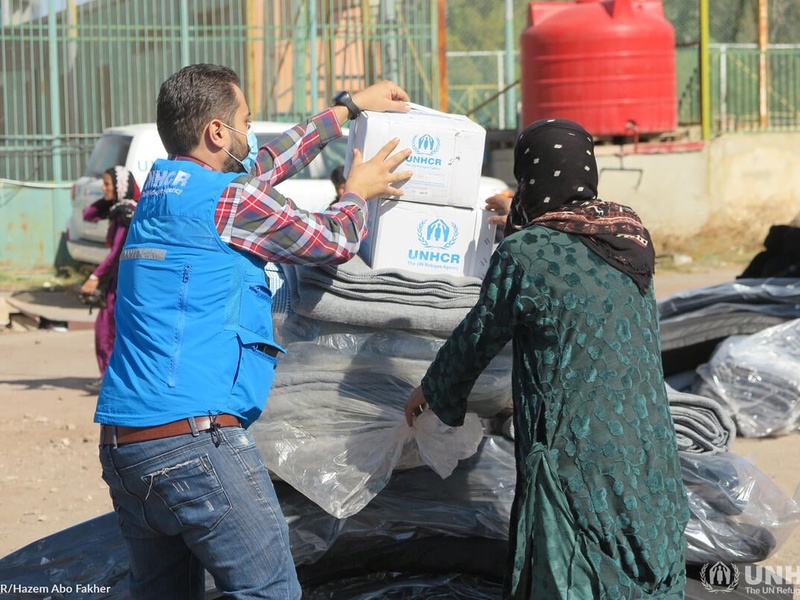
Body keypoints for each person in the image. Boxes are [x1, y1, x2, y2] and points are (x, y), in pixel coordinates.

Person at [96, 63, 412, 600]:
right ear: (218, 131)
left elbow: (262, 167)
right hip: (197, 445)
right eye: (245, 121)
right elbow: (333, 240)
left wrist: (346, 111)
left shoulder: (160, 191)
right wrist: (356, 193)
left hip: (125, 447)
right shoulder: (230, 202)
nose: (251, 133)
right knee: (270, 593)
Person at [404, 118, 690, 599]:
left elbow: (480, 334)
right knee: (638, 554)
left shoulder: (523, 253)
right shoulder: (628, 233)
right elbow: (569, 265)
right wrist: (520, 219)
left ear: (530, 177)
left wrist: (433, 390)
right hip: (646, 442)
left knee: (578, 560)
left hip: (577, 450)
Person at [80, 166, 140, 392]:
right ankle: (109, 376)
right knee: (108, 327)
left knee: (107, 328)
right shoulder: (117, 210)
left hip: (123, 282)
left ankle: (110, 378)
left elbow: (116, 253)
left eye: (107, 184)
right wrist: (108, 200)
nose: (102, 188)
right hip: (116, 280)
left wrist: (95, 277)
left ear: (120, 187)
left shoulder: (126, 214)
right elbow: (89, 215)